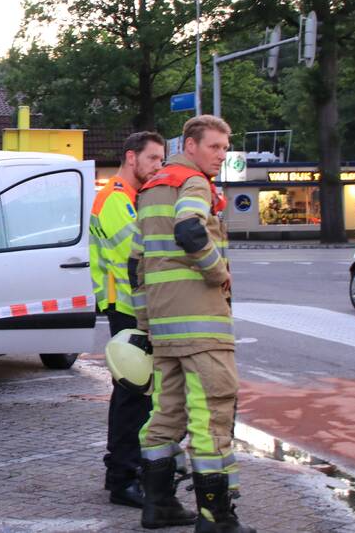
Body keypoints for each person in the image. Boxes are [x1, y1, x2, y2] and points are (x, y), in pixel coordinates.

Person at [130, 115, 255, 532]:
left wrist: (147, 321)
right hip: (202, 328)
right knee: (212, 418)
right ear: (191, 144)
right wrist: (219, 274)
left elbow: (136, 264)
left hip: (165, 327)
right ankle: (215, 518)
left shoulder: (149, 190)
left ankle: (159, 506)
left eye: (225, 148)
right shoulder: (194, 182)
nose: (221, 156)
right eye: (215, 147)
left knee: (165, 415)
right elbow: (189, 230)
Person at [90, 131, 165, 508]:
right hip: (129, 309)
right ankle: (122, 478)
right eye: (153, 159)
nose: (158, 167)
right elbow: (141, 254)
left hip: (131, 307)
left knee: (134, 395)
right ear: (132, 158)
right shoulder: (118, 199)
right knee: (133, 398)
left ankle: (121, 473)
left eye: (162, 160)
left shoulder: (125, 197)